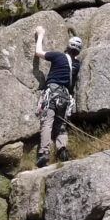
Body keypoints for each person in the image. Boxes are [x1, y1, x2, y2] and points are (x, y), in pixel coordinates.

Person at [34, 27, 82, 168]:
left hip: (52, 94)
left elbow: (38, 52)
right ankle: (62, 151)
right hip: (65, 98)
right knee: (61, 126)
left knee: (47, 123)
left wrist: (41, 35)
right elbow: (74, 56)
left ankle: (44, 153)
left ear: (67, 47)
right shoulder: (76, 64)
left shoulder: (58, 56)